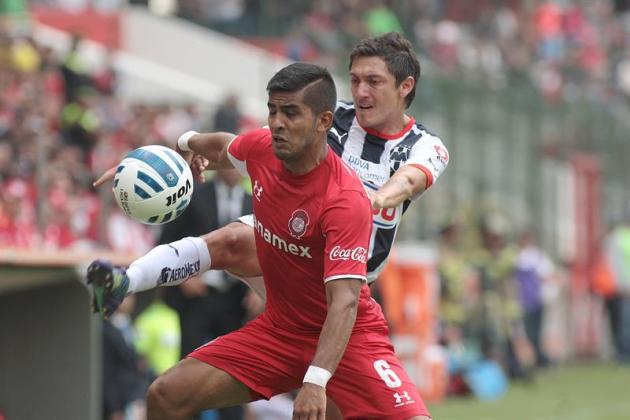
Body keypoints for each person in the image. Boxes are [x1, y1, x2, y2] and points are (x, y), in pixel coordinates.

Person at [90, 62, 430, 419]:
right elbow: (222, 146)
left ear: (323, 121)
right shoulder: (262, 148)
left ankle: (128, 279)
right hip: (280, 331)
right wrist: (156, 158)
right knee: (165, 394)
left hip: (347, 338)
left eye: (291, 113)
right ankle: (127, 279)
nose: (277, 123)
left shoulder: (344, 200)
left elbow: (343, 302)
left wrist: (315, 381)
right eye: (272, 111)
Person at [90, 32, 449, 305]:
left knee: (337, 401)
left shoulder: (424, 145)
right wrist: (150, 164)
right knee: (231, 239)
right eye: (355, 80)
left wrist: (372, 199)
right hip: (291, 246)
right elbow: (249, 148)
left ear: (405, 86)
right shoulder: (327, 115)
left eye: (374, 81)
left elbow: (408, 181)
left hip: (341, 284)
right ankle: (127, 280)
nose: (360, 91)